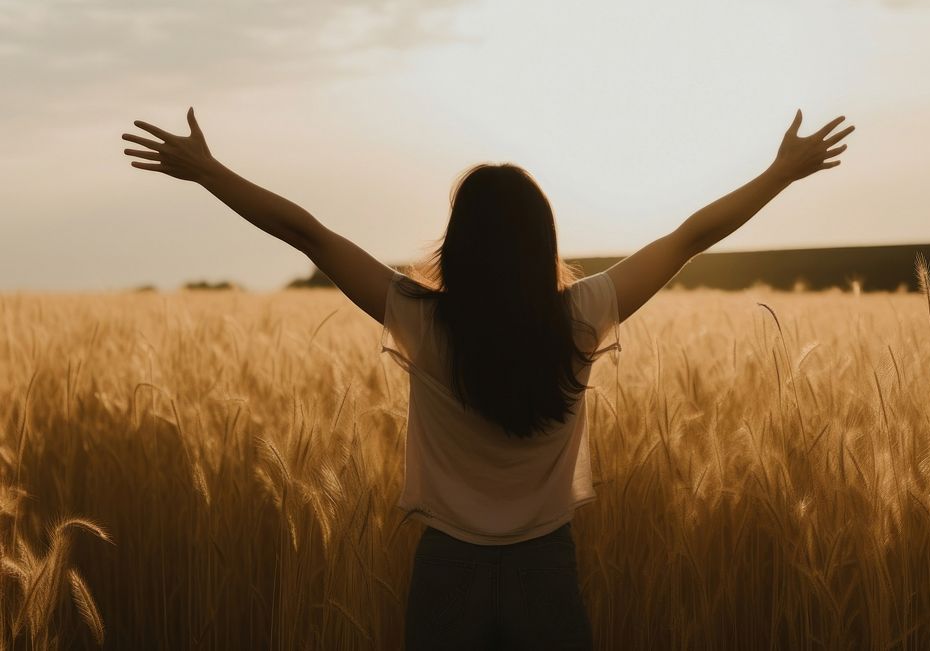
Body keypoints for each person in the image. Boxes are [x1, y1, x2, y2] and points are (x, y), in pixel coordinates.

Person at [123, 107, 853, 649]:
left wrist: (209, 172)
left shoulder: (420, 319)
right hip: (546, 570)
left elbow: (309, 235)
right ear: (543, 243)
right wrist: (780, 173)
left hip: (447, 571)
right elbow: (691, 238)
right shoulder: (584, 312)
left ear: (459, 243)